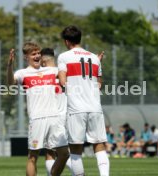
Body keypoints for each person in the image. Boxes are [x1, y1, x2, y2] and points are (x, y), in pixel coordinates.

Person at [7, 42, 69, 176]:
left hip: (55, 118)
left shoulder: (52, 71)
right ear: (26, 57)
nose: (37, 56)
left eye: (38, 53)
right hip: (37, 119)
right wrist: (10, 65)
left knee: (64, 154)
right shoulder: (23, 73)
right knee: (33, 157)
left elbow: (69, 76)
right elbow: (10, 82)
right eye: (33, 54)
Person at [57, 25, 109, 176]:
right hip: (95, 108)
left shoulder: (64, 56)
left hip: (76, 109)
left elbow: (62, 81)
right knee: (99, 146)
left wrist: (71, 87)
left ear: (67, 41)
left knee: (75, 151)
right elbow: (99, 84)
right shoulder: (94, 58)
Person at [40, 48, 73, 176]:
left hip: (51, 117)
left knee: (55, 153)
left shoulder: (42, 74)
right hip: (65, 116)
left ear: (43, 59)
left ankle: (78, 173)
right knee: (61, 152)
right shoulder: (64, 72)